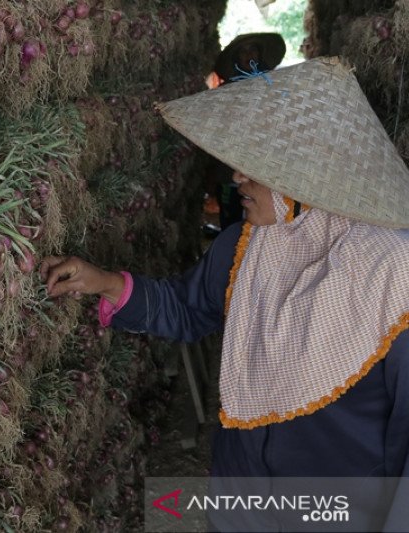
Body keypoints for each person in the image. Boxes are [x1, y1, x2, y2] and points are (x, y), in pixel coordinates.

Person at [41, 57, 409, 531]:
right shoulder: (246, 245)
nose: (236, 177)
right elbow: (189, 307)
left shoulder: (392, 274)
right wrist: (107, 283)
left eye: (255, 166)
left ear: (308, 173)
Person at [204, 33, 287, 236]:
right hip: (230, 168)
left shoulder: (274, 87)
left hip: (264, 169)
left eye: (253, 50)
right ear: (236, 58)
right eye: (243, 51)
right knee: (231, 219)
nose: (249, 55)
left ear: (260, 55)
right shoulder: (224, 92)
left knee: (262, 221)